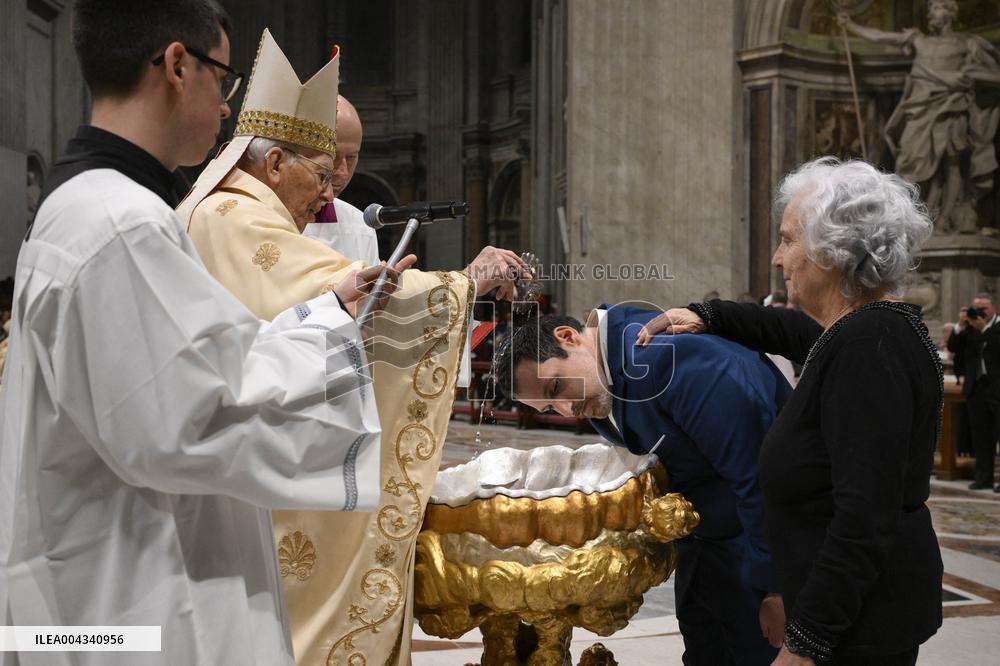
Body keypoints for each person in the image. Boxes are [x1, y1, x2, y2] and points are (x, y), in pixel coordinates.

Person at [0, 3, 406, 664]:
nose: (226, 109)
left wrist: (324, 311)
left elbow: (199, 368)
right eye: (225, 78)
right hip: (138, 592)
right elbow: (198, 417)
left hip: (100, 578)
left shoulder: (84, 205)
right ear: (177, 66)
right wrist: (334, 344)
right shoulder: (122, 226)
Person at [177, 29, 524, 664]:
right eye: (318, 169)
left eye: (342, 167)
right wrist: (463, 285)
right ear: (275, 162)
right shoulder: (234, 217)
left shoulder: (230, 207)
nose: (329, 190)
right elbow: (320, 301)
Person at [639, 157, 943, 665]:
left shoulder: (870, 346)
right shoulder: (864, 330)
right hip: (849, 616)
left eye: (787, 239)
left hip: (856, 631)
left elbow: (863, 518)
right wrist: (707, 315)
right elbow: (793, 334)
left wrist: (806, 644)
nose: (778, 259)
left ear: (833, 250)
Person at [495, 309, 793, 665]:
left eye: (556, 387)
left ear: (568, 337)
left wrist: (776, 587)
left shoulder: (671, 361)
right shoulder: (606, 379)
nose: (566, 409)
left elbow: (760, 478)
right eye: (548, 406)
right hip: (708, 552)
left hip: (763, 551)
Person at [839, 0, 1000, 233]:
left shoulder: (967, 44)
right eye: (930, 10)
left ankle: (944, 218)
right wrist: (851, 26)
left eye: (936, 9)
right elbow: (880, 37)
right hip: (919, 108)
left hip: (951, 106)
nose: (930, 15)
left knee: (951, 163)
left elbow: (995, 76)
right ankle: (915, 215)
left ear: (950, 14)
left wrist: (969, 76)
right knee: (908, 158)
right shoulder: (919, 40)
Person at [302, 95, 379, 264]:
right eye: (333, 156)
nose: (343, 172)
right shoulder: (256, 218)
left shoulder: (360, 225)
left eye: (351, 157)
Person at [946, 294, 1000, 490]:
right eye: (976, 308)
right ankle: (983, 477)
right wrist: (960, 326)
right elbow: (953, 347)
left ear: (993, 307)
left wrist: (983, 327)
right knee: (981, 435)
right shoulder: (969, 328)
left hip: (997, 387)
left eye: (984, 308)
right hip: (976, 388)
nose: (980, 312)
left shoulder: (996, 326)